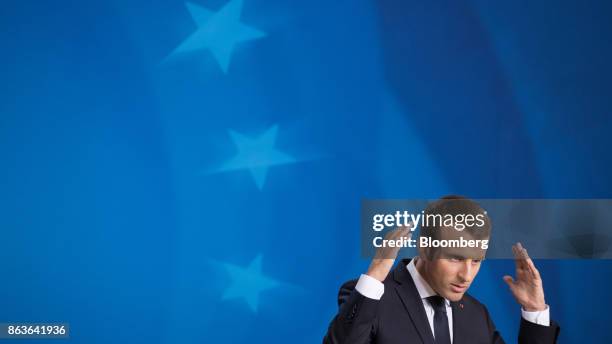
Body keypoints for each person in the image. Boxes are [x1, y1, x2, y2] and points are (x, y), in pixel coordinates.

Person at [323, 196, 560, 343]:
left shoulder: (477, 315)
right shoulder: (369, 298)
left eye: (476, 261)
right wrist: (375, 275)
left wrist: (534, 311)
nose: (466, 276)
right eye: (456, 258)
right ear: (425, 249)